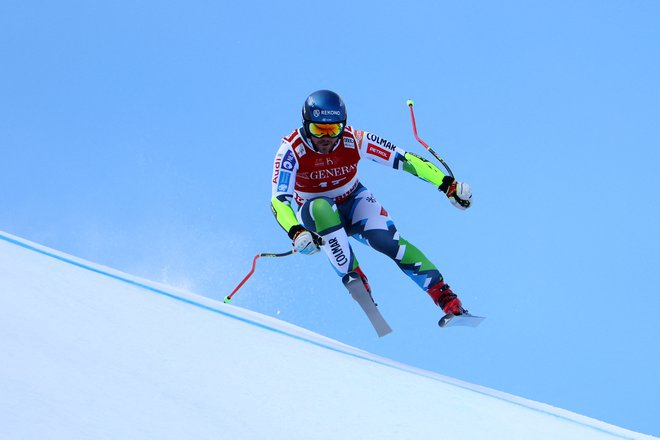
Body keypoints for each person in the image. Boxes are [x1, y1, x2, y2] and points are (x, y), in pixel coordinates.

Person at [270, 90, 473, 317]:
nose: (326, 138)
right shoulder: (291, 150)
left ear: (343, 126)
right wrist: (296, 231)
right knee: (321, 207)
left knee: (388, 241)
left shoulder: (355, 139)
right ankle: (357, 280)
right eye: (318, 129)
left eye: (333, 129)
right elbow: (279, 201)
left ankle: (447, 299)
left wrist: (447, 185)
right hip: (317, 212)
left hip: (353, 201)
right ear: (306, 125)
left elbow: (404, 159)